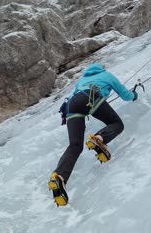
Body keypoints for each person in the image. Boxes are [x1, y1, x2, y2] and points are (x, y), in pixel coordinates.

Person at [48, 63, 138, 206]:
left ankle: (59, 176)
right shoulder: (106, 75)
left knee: (75, 145)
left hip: (71, 105)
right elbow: (125, 95)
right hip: (90, 97)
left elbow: (77, 99)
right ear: (102, 68)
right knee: (117, 124)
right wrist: (134, 95)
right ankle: (99, 138)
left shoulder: (81, 80)